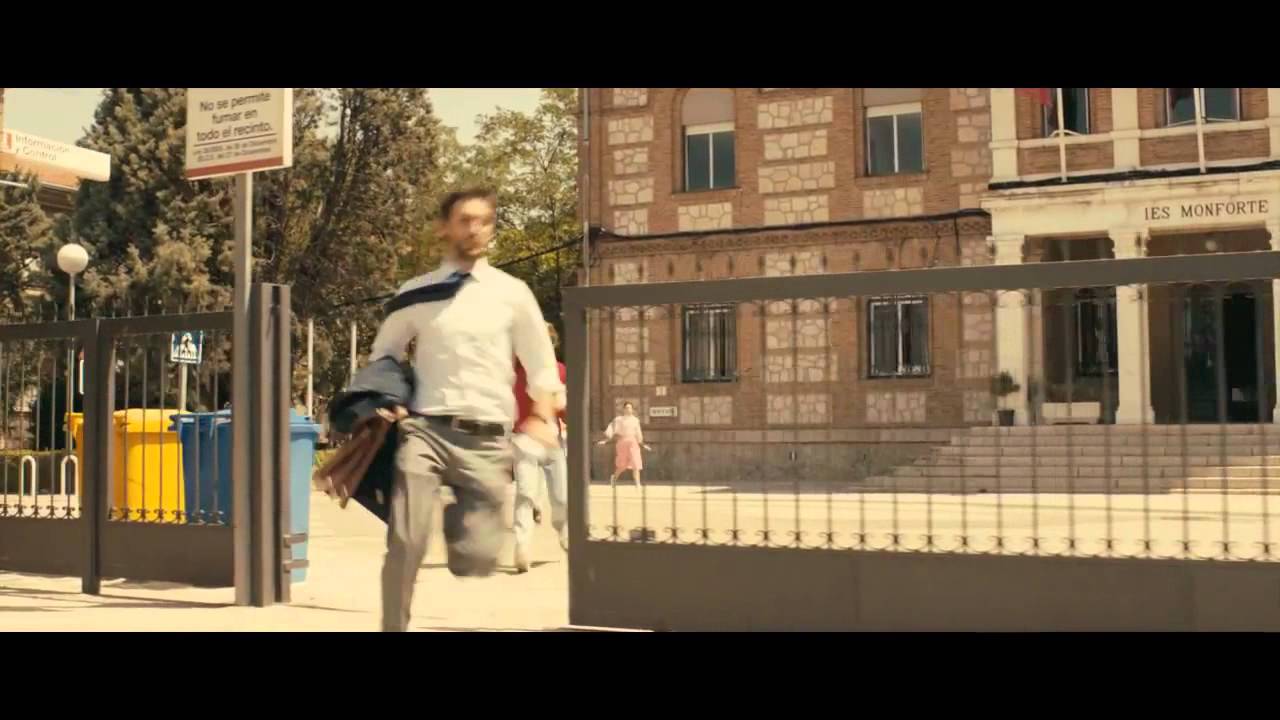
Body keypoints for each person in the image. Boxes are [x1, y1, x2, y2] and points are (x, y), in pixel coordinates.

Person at [360, 188, 563, 632]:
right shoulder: (418, 293)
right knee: (405, 540)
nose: (474, 229)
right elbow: (384, 353)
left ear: (491, 228)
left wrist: (542, 413)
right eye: (465, 220)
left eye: (483, 221)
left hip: (488, 440)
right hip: (425, 431)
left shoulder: (512, 293)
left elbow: (542, 364)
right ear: (444, 228)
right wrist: (387, 398)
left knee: (476, 559)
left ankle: (460, 519)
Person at [511, 322, 568, 573]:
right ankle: (522, 547)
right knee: (525, 493)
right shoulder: (514, 371)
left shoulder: (560, 371)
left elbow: (563, 409)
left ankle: (565, 534)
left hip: (553, 441)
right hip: (523, 440)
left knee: (561, 496)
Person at [598, 401, 650, 488]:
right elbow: (612, 430)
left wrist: (643, 444)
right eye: (626, 408)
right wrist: (605, 441)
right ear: (623, 409)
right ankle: (614, 478)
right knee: (622, 465)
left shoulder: (635, 420)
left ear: (632, 410)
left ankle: (637, 484)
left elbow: (638, 434)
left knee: (636, 463)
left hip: (633, 443)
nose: (628, 409)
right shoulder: (618, 420)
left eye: (630, 408)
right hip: (622, 443)